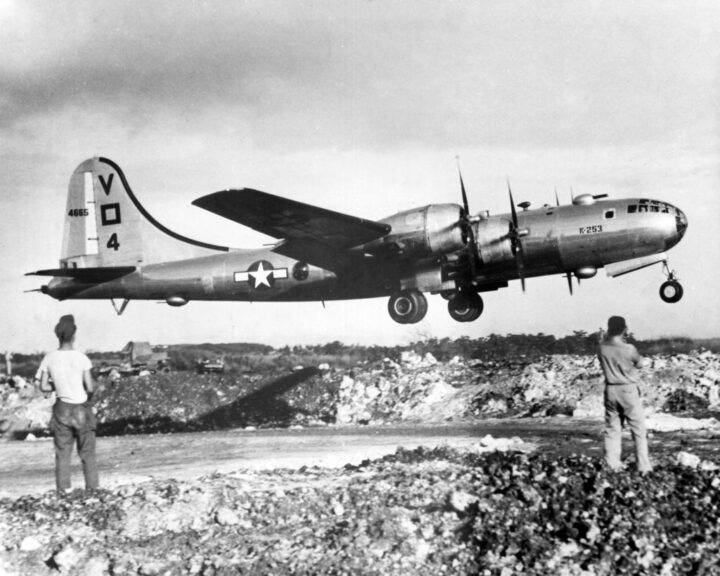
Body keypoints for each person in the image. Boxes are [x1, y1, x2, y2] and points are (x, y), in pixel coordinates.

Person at [37, 315, 99, 492]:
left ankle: (64, 491)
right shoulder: (81, 358)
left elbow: (43, 386)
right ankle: (92, 490)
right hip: (81, 409)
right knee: (87, 453)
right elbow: (89, 387)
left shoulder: (48, 358)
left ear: (58, 335)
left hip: (62, 409)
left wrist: (57, 385)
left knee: (63, 454)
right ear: (74, 335)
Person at [598, 315, 651, 473]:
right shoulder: (629, 348)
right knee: (638, 430)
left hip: (610, 389)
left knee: (612, 428)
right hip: (627, 389)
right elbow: (640, 363)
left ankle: (612, 464)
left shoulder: (601, 347)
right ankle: (643, 466)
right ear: (624, 329)